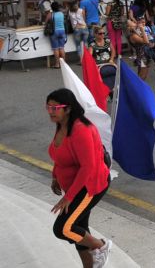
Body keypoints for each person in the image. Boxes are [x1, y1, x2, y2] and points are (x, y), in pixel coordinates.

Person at [46, 88, 112, 267]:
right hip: (74, 186)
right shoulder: (62, 125)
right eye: (48, 107)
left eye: (55, 108)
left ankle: (101, 246)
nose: (50, 112)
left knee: (63, 229)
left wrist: (69, 197)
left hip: (89, 187)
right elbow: (59, 156)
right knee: (80, 230)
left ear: (67, 109)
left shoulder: (81, 130)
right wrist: (55, 177)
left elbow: (88, 167)